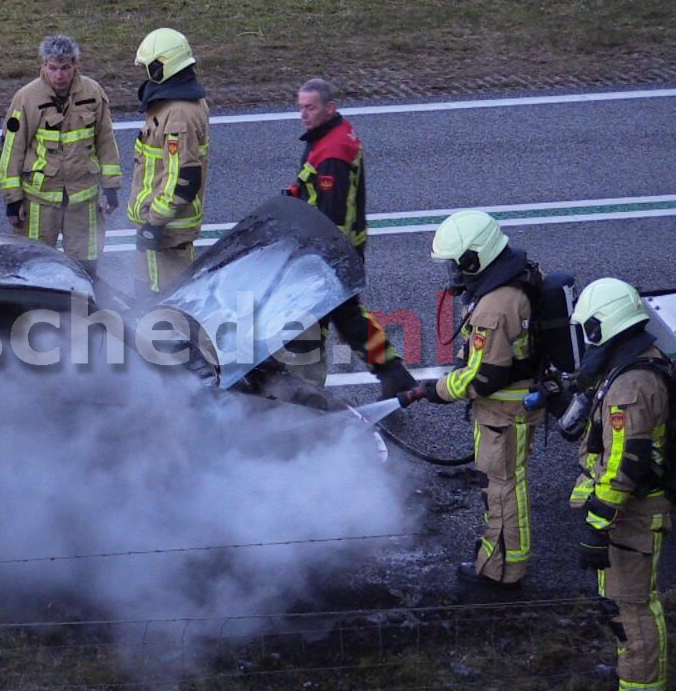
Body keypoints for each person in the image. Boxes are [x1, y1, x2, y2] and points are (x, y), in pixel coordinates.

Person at [399, 209, 543, 587]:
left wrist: (437, 390)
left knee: (502, 489)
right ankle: (506, 560)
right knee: (507, 484)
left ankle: (503, 573)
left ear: (474, 257)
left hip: (503, 414)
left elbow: (484, 377)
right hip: (514, 407)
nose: (454, 273)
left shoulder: (495, 306)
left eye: (456, 264)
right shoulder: (515, 275)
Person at [566, 278, 670, 690]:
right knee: (624, 604)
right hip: (632, 513)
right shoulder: (638, 361)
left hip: (635, 517)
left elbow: (624, 465)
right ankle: (634, 669)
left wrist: (597, 524)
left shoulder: (631, 386)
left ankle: (641, 683)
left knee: (633, 608)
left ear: (600, 328)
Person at [284, 78, 415, 399]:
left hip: (331, 252)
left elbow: (332, 215)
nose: (303, 114)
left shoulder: (332, 153)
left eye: (310, 107)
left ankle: (306, 391)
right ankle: (393, 374)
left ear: (330, 108)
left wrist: (316, 258)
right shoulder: (333, 135)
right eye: (300, 107)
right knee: (347, 315)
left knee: (312, 317)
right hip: (342, 249)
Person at [0, 35, 122, 278]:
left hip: (83, 200)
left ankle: (81, 313)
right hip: (39, 202)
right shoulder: (26, 98)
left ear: (75, 64)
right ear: (44, 65)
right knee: (34, 267)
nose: (59, 76)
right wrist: (12, 200)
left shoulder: (93, 92)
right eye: (52, 68)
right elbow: (11, 150)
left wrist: (111, 188)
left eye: (65, 68)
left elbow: (106, 141)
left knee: (86, 267)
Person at [127, 28, 209, 299]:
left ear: (163, 66)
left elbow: (182, 180)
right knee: (149, 297)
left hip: (166, 232)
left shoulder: (178, 115)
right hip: (160, 230)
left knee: (167, 303)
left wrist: (154, 223)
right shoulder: (176, 105)